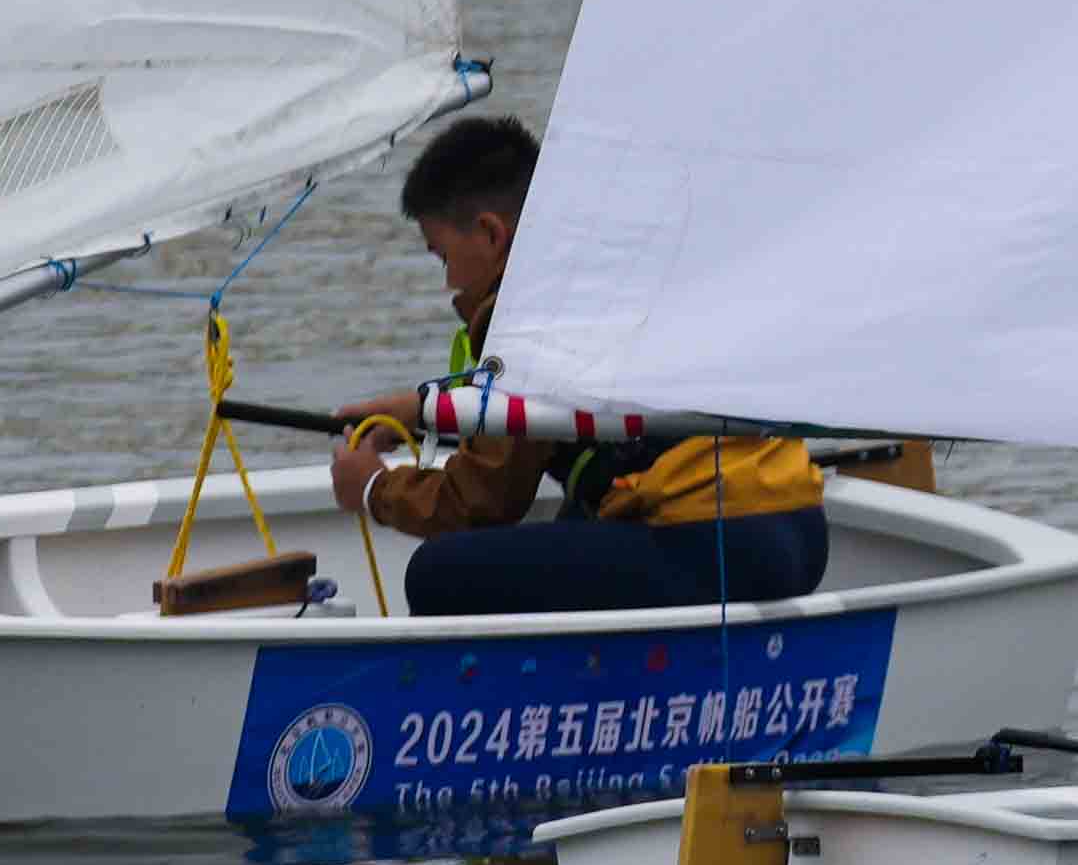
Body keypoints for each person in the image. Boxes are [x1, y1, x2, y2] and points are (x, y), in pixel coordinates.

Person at [318, 115, 842, 616]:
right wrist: (424, 409)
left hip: (717, 544)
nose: (448, 280)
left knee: (438, 572)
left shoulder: (528, 317)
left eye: (442, 256)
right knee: (578, 515)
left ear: (491, 233)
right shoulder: (613, 268)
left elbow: (480, 504)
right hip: (798, 527)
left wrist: (371, 487)